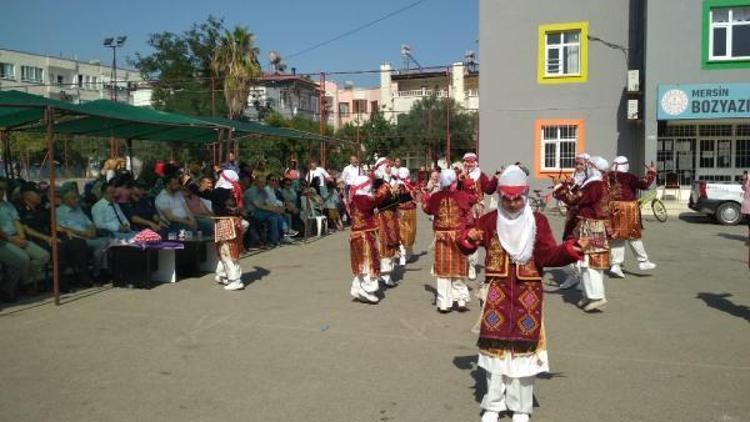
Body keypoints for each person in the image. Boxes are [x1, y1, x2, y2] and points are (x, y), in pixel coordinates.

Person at [457, 165, 585, 422]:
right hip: (497, 293)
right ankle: (493, 405)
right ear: (501, 195)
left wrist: (571, 249)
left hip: (528, 292)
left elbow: (547, 254)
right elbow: (467, 246)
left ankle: (520, 408)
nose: (513, 203)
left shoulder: (538, 221)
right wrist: (468, 239)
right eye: (507, 198)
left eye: (517, 198)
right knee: (494, 351)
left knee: (524, 353)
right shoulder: (489, 220)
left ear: (525, 194)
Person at [554, 156, 611, 312]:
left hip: (591, 227)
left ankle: (597, 296)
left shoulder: (594, 184)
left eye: (588, 165)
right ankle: (589, 294)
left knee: (590, 263)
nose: (585, 167)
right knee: (585, 262)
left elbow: (573, 200)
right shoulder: (595, 183)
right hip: (591, 225)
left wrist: (559, 188)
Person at [17, 183, 92, 289]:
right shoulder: (21, 210)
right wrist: (47, 238)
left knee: (79, 242)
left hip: (51, 238)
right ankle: (61, 281)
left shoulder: (42, 208)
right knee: (60, 247)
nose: (40, 196)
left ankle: (83, 276)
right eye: (37, 193)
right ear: (27, 195)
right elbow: (27, 230)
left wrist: (65, 230)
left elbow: (53, 224)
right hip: (36, 240)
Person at [422, 169, 474, 312]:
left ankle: (444, 303)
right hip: (459, 235)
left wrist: (425, 196)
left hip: (442, 236)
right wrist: (466, 182)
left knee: (443, 270)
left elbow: (427, 209)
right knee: (459, 266)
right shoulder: (462, 195)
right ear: (454, 181)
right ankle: (461, 300)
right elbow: (473, 199)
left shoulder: (436, 197)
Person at [608, 156, 658, 278]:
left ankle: (616, 264)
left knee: (617, 237)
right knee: (633, 236)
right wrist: (651, 173)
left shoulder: (608, 176)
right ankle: (643, 261)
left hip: (613, 207)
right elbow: (644, 185)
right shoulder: (629, 177)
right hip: (628, 208)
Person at [0, 179, 50, 296]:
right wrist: (11, 239)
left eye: (3, 189)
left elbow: (16, 221)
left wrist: (21, 236)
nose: (2, 192)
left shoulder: (9, 205)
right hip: (3, 240)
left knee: (44, 256)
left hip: (16, 237)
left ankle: (24, 282)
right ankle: (9, 290)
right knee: (23, 259)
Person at [347, 174, 390, 303]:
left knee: (360, 263)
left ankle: (357, 288)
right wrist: (384, 186)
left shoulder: (354, 198)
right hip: (364, 235)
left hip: (356, 234)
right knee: (369, 262)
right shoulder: (362, 199)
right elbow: (378, 198)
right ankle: (367, 289)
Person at [460, 152, 498, 281]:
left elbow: (488, 189)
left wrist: (495, 179)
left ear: (475, 162)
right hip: (462, 209)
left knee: (474, 234)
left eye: (471, 161)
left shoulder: (481, 175)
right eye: (467, 161)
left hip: (477, 210)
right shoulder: (459, 174)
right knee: (460, 234)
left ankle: (472, 266)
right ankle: (461, 263)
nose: (469, 164)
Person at [56, 186, 110, 277]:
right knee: (103, 245)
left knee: (107, 243)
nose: (77, 200)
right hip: (77, 239)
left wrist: (91, 232)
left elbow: (90, 224)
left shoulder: (78, 209)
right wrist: (83, 233)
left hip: (89, 236)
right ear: (66, 200)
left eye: (77, 197)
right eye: (74, 198)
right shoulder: (59, 211)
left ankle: (99, 271)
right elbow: (62, 228)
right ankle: (98, 272)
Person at [558, 152, 590, 290]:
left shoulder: (591, 180)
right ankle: (573, 275)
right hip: (572, 215)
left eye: (581, 164)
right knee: (568, 243)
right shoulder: (572, 176)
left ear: (587, 165)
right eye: (576, 164)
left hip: (584, 218)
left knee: (582, 246)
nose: (578, 166)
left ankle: (583, 280)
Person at [211, 169, 246, 291]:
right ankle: (222, 274)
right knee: (225, 250)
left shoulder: (222, 191)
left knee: (227, 252)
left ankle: (235, 280)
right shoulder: (234, 190)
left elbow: (206, 194)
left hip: (226, 223)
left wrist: (189, 182)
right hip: (232, 222)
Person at [372, 157, 400, 287]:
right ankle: (384, 274)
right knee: (384, 243)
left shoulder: (393, 180)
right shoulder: (378, 183)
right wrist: (392, 192)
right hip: (382, 217)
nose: (390, 168)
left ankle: (387, 272)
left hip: (392, 215)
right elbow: (378, 201)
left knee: (393, 242)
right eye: (387, 166)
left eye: (390, 166)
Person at [244, 176, 290, 247]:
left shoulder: (263, 192)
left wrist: (276, 208)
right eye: (260, 182)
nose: (262, 184)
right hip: (252, 213)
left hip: (262, 213)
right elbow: (258, 205)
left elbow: (267, 204)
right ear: (255, 182)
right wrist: (274, 209)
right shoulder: (251, 191)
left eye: (264, 183)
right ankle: (285, 230)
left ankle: (274, 240)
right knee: (274, 213)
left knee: (274, 217)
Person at [396, 167, 417, 266]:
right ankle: (402, 255)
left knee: (410, 233)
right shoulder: (395, 185)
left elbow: (415, 198)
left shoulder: (411, 185)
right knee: (400, 234)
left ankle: (409, 251)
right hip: (399, 212)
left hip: (410, 212)